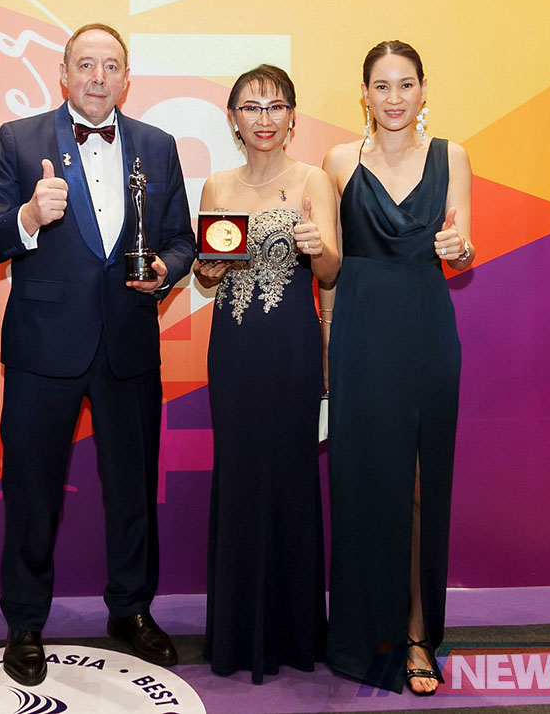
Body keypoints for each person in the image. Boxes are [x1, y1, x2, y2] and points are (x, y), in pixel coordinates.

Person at [0, 23, 197, 686]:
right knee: (31, 492)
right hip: (44, 348)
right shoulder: (17, 140)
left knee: (133, 491)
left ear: (127, 78)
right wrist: (27, 217)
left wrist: (166, 268)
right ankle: (24, 623)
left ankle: (132, 610)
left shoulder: (157, 145)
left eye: (111, 66)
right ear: (64, 74)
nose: (98, 78)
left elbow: (181, 239)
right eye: (86, 65)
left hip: (128, 343)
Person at [321, 41, 475, 695]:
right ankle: (360, 634)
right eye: (381, 86)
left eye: (405, 85)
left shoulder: (452, 157)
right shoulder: (336, 162)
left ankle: (416, 635)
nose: (393, 98)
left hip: (424, 333)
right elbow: (327, 271)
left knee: (418, 486)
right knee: (361, 483)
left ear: (423, 89)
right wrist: (328, 345)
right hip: (359, 334)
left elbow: (463, 248)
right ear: (364, 94)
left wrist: (458, 247)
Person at [192, 65, 339, 682]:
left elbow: (331, 272)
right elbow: (207, 272)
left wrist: (317, 246)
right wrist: (206, 269)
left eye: (276, 106)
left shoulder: (313, 180)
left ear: (292, 117)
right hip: (234, 351)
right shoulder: (218, 185)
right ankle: (236, 635)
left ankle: (294, 632)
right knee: (239, 478)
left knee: (292, 479)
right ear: (233, 119)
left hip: (293, 347)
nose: (265, 118)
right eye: (251, 107)